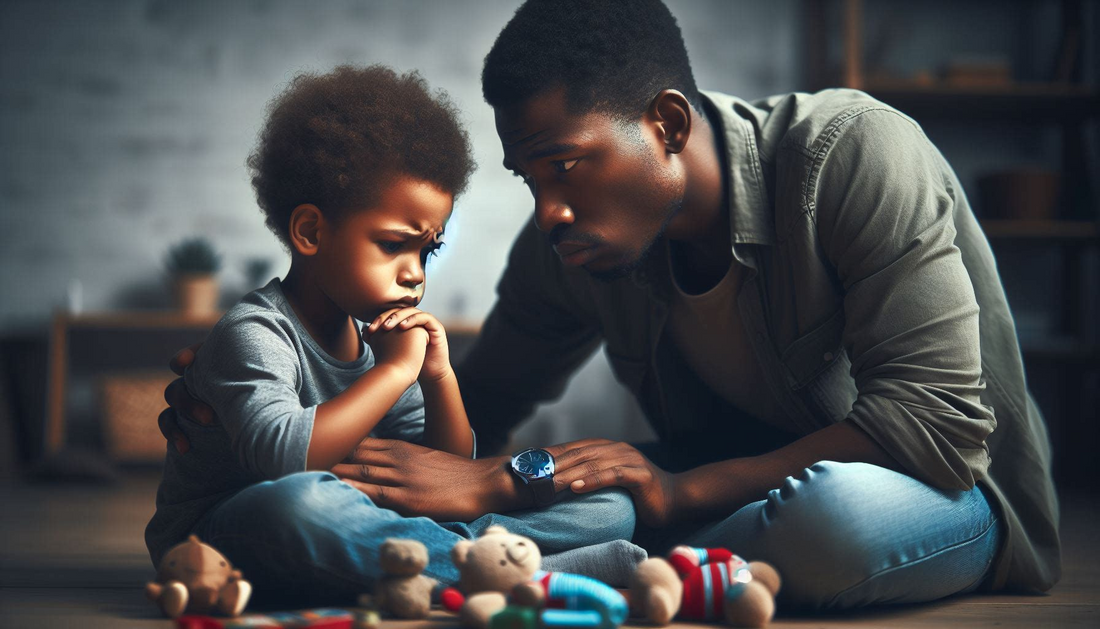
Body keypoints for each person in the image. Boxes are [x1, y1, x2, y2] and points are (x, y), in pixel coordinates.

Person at [162, 0, 1061, 610]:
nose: (547, 206)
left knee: (836, 518)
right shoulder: (572, 242)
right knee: (594, 496)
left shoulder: (853, 155)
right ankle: (612, 577)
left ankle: (592, 569)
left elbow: (935, 425)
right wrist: (243, 419)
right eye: (528, 176)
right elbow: (480, 409)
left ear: (666, 124)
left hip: (934, 493)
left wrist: (667, 489)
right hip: (704, 506)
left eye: (564, 164)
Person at [147, 64, 638, 605]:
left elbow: (448, 477)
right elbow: (285, 461)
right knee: (299, 505)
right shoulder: (256, 331)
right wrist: (395, 371)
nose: (415, 273)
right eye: (392, 245)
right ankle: (505, 569)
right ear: (311, 232)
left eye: (427, 251)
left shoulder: (383, 342)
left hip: (366, 529)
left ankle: (454, 565)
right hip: (227, 534)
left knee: (610, 503)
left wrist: (437, 377)